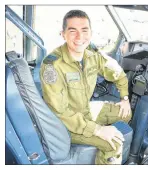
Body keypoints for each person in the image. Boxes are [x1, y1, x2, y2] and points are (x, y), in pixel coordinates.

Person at [40, 10, 132, 165]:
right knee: (114, 144)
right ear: (63, 34)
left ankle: (100, 151)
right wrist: (98, 130)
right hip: (65, 124)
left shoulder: (92, 53)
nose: (79, 37)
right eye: (72, 31)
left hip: (86, 110)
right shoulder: (52, 66)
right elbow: (61, 113)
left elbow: (117, 73)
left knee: (125, 113)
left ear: (91, 32)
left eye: (84, 30)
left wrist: (124, 98)